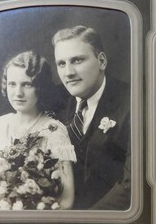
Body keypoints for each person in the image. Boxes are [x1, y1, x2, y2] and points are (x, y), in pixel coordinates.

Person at [52, 25, 131, 210]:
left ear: (101, 61)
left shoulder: (132, 102)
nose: (68, 72)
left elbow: (132, 184)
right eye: (61, 64)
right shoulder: (55, 102)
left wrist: (81, 223)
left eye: (77, 60)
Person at [0, 50, 76, 210]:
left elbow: (66, 200)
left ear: (40, 87)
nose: (18, 93)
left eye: (27, 84)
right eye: (12, 84)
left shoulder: (54, 131)